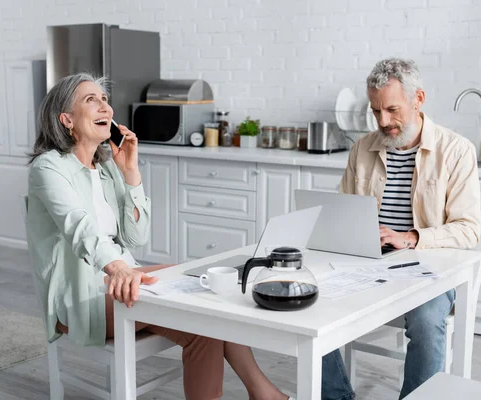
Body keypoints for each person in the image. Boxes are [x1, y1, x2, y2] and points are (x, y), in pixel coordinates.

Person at [25, 73, 292, 400]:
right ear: (66, 119)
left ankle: (261, 392)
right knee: (202, 306)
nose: (104, 106)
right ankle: (266, 395)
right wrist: (118, 268)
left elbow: (136, 236)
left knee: (207, 308)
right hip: (82, 295)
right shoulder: (48, 168)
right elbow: (79, 227)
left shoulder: (107, 168)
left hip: (123, 279)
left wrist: (131, 172)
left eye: (104, 99)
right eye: (90, 99)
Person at [321, 58, 481, 399]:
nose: (383, 121)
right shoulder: (362, 148)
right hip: (369, 262)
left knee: (426, 320)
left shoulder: (456, 151)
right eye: (376, 110)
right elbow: (342, 210)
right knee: (313, 298)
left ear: (418, 99)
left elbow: (469, 230)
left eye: (392, 110)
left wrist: (409, 238)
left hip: (429, 268)